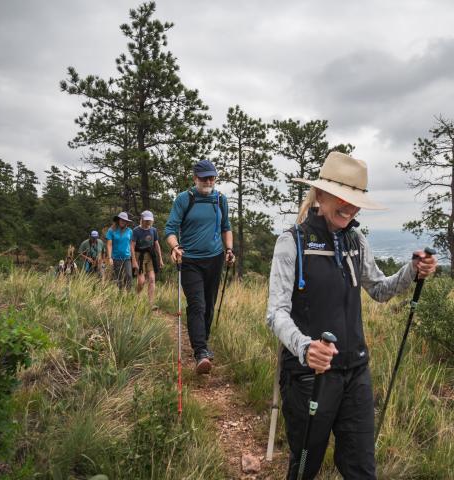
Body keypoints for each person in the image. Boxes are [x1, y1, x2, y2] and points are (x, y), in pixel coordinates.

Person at [266, 152, 437, 479]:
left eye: (356, 200)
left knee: (361, 469)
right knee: (304, 468)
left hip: (356, 372)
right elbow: (276, 313)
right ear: (320, 194)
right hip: (307, 378)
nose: (350, 207)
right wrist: (305, 348)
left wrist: (412, 270)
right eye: (343, 198)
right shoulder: (293, 242)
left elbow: (380, 289)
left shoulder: (356, 241)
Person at [165, 159, 235, 374]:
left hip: (215, 259)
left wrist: (230, 250)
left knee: (209, 305)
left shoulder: (220, 199)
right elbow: (170, 228)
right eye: (204, 177)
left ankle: (203, 342)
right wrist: (175, 247)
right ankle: (200, 352)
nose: (209, 181)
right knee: (197, 304)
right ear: (195, 178)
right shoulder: (184, 199)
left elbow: (226, 227)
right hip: (190, 261)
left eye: (212, 177)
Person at [131, 210, 164, 307]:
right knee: (141, 281)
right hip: (139, 256)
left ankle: (151, 304)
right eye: (146, 220)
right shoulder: (136, 231)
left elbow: (156, 244)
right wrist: (134, 261)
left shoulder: (153, 230)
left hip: (150, 256)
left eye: (150, 220)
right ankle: (137, 298)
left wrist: (160, 259)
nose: (148, 222)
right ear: (142, 219)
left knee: (152, 279)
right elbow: (132, 246)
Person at [106, 211, 134, 290]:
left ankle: (128, 294)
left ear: (126, 222)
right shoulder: (111, 230)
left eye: (124, 220)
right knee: (118, 277)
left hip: (127, 257)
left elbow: (131, 245)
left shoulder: (130, 231)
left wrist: (134, 258)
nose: (122, 221)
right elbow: (109, 244)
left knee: (129, 275)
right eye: (121, 220)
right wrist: (110, 257)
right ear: (118, 220)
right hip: (116, 258)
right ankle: (120, 294)